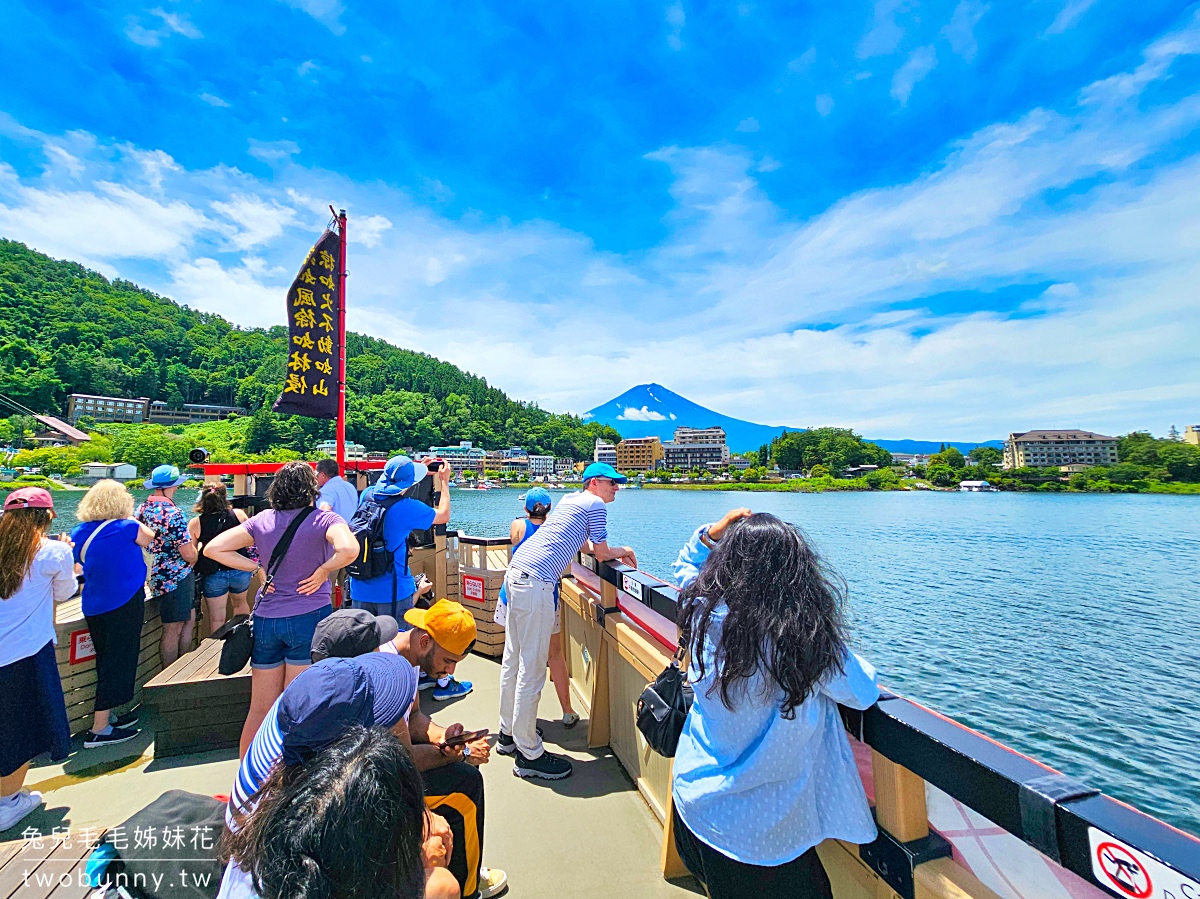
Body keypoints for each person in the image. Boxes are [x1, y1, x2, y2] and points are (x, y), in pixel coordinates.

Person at [669, 509, 880, 899]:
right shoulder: (802, 640)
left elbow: (684, 567)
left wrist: (713, 533)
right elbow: (863, 690)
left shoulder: (702, 609)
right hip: (761, 834)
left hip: (693, 806)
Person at [310, 602, 507, 899]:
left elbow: (414, 718)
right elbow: (404, 762)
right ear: (426, 641)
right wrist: (458, 753)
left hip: (375, 767)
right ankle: (466, 890)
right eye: (448, 660)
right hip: (364, 787)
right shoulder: (386, 671)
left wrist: (444, 737)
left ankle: (457, 866)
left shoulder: (407, 656)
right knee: (466, 785)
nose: (450, 670)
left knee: (462, 772)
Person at [220, 657, 459, 899]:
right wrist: (418, 864)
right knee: (443, 886)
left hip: (244, 867)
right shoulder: (330, 820)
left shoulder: (294, 723)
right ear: (342, 753)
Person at [203, 460, 358, 756]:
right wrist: (325, 569)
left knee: (260, 708)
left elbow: (213, 549)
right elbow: (349, 549)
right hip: (308, 617)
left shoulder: (261, 520)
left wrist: (256, 569)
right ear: (312, 488)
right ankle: (288, 775)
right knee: (297, 704)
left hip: (266, 619)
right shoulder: (324, 520)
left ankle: (247, 782)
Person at [497, 462, 636, 779]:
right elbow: (601, 553)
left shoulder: (571, 500)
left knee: (514, 660)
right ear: (595, 483)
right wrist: (625, 550)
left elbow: (579, 542)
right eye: (612, 482)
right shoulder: (596, 504)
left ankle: (508, 734)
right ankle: (529, 753)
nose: (617, 488)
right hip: (538, 583)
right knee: (532, 669)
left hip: (517, 574)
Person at [351, 455, 471, 701]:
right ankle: (403, 703)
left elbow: (393, 488)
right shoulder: (406, 508)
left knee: (367, 647)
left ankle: (370, 696)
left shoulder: (368, 496)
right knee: (403, 649)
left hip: (360, 587)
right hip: (393, 591)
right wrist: (444, 482)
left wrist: (414, 473)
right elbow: (443, 515)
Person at [0, 488, 77, 830]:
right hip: (25, 653)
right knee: (21, 731)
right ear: (46, 518)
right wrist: (69, 557)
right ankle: (7, 803)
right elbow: (65, 592)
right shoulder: (52, 551)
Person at [72, 479, 156, 747]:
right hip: (124, 601)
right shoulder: (127, 526)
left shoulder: (79, 531)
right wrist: (129, 515)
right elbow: (150, 537)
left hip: (94, 604)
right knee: (118, 661)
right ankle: (100, 728)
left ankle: (110, 715)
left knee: (106, 659)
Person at [497, 488, 577, 727]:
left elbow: (515, 538)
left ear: (526, 509)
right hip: (544, 596)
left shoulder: (518, 525)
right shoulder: (555, 532)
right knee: (553, 653)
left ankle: (510, 722)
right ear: (550, 508)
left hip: (511, 594)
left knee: (513, 655)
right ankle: (567, 709)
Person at [135, 464, 199, 668]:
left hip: (154, 575)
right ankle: (171, 674)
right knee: (173, 629)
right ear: (173, 485)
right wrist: (197, 555)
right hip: (177, 578)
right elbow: (188, 553)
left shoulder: (142, 509)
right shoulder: (174, 513)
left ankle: (176, 670)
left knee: (183, 622)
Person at [188, 483, 254, 634]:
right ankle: (243, 639)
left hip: (214, 572)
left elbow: (192, 553)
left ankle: (216, 648)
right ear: (225, 497)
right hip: (240, 568)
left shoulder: (196, 522)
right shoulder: (239, 514)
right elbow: (251, 539)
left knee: (216, 618)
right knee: (240, 605)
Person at [315, 458, 359, 523]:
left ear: (323, 475)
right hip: (354, 529)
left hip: (336, 530)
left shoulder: (325, 491)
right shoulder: (350, 486)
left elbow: (325, 512)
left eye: (316, 475)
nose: (315, 477)